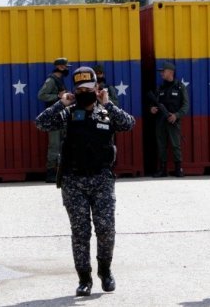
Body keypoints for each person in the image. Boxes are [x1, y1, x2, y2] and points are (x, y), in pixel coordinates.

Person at [35, 67, 135, 297]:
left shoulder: (106, 112)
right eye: (79, 89)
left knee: (106, 230)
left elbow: (129, 124)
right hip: (74, 181)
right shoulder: (68, 113)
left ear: (97, 89)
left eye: (88, 89)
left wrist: (108, 104)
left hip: (102, 180)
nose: (84, 93)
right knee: (80, 233)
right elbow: (41, 123)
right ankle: (84, 279)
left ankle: (105, 272)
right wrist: (61, 103)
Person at [149, 61, 189, 177]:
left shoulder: (180, 87)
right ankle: (162, 170)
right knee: (161, 144)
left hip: (173, 120)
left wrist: (176, 115)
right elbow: (152, 104)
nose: (161, 73)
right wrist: (152, 109)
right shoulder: (160, 88)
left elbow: (185, 105)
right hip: (160, 120)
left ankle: (178, 169)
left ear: (171, 72)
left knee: (176, 145)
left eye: (163, 71)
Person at [37, 57, 71, 183]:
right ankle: (51, 172)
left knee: (62, 144)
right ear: (60, 67)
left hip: (61, 116)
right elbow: (41, 95)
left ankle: (60, 171)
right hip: (53, 117)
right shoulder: (52, 80)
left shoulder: (59, 80)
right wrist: (58, 96)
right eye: (66, 67)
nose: (67, 69)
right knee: (54, 145)